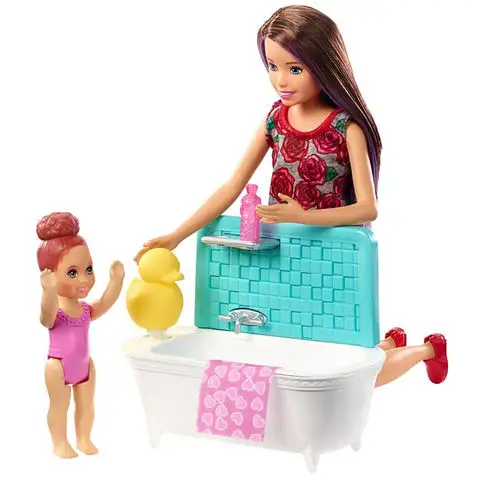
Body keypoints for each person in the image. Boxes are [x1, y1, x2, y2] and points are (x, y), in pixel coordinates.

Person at [134, 5, 447, 386]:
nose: (280, 80)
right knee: (295, 350)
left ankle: (428, 349)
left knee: (348, 374)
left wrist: (302, 216)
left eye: (294, 69)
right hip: (281, 253)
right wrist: (176, 236)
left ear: (323, 65)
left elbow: (368, 209)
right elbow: (231, 187)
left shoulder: (346, 127)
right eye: (272, 66)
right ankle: (389, 343)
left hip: (332, 254)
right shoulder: (275, 120)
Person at [37, 212, 125, 458]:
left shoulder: (85, 309)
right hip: (58, 367)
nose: (84, 279)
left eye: (88, 269)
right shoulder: (56, 308)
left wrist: (116, 281)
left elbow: (104, 303)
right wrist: (49, 292)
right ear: (50, 275)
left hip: (85, 365)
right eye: (72, 273)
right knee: (60, 406)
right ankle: (59, 442)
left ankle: (84, 438)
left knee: (87, 406)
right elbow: (45, 318)